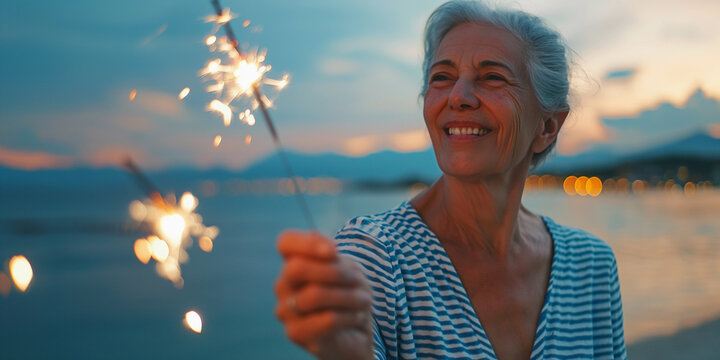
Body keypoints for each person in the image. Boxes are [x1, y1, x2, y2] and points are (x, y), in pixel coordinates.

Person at [275, 1, 627, 359]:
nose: (458, 96)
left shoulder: (592, 266)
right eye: (441, 77)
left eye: (492, 77)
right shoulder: (374, 260)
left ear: (548, 126)